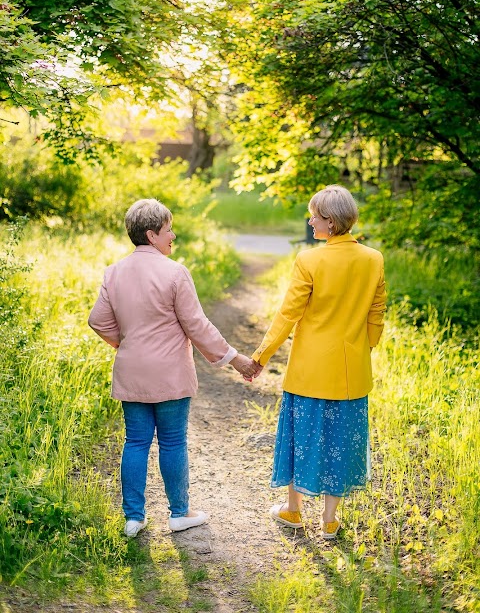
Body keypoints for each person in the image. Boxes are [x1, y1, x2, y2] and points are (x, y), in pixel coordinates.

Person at [88, 198, 257, 537]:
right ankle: (179, 513)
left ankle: (133, 518)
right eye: (168, 230)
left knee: (135, 442)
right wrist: (235, 359)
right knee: (172, 441)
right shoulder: (174, 272)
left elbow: (98, 321)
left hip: (132, 371)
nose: (173, 235)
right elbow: (197, 325)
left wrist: (124, 344)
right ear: (151, 235)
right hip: (169, 375)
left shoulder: (114, 272)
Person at [251, 184, 386, 539]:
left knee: (302, 439)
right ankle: (329, 519)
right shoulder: (373, 259)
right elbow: (376, 314)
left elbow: (288, 314)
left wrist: (261, 355)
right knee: (339, 441)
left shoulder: (309, 260)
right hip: (350, 373)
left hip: (309, 372)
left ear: (330, 220)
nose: (310, 221)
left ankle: (293, 511)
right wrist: (363, 347)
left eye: (314, 215)